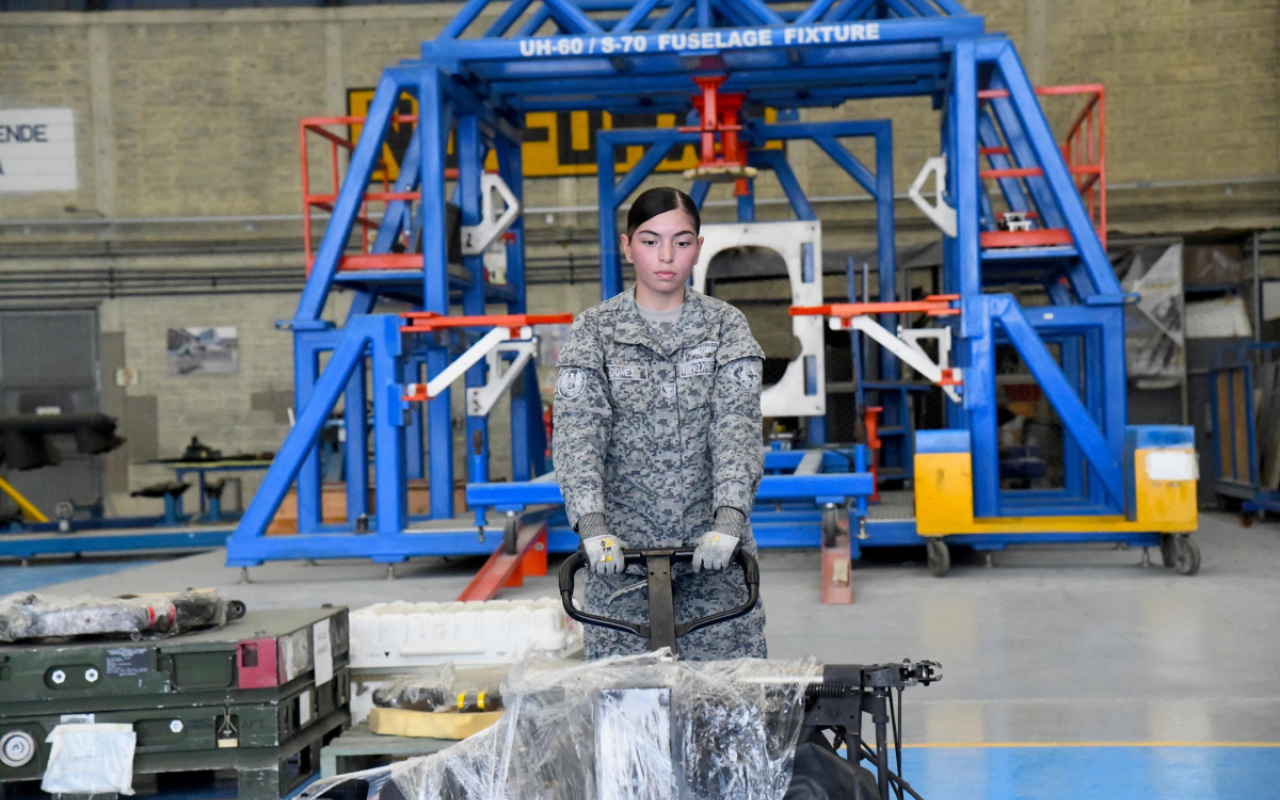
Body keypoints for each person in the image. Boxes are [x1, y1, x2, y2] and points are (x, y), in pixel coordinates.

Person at [552, 186, 767, 661]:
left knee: (727, 708)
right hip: (621, 565)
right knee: (628, 711)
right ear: (626, 247)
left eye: (682, 241)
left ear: (699, 246)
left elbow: (736, 428)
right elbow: (578, 434)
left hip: (718, 562)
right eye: (650, 241)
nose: (666, 256)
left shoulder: (725, 327)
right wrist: (592, 526)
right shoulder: (595, 332)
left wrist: (729, 518)